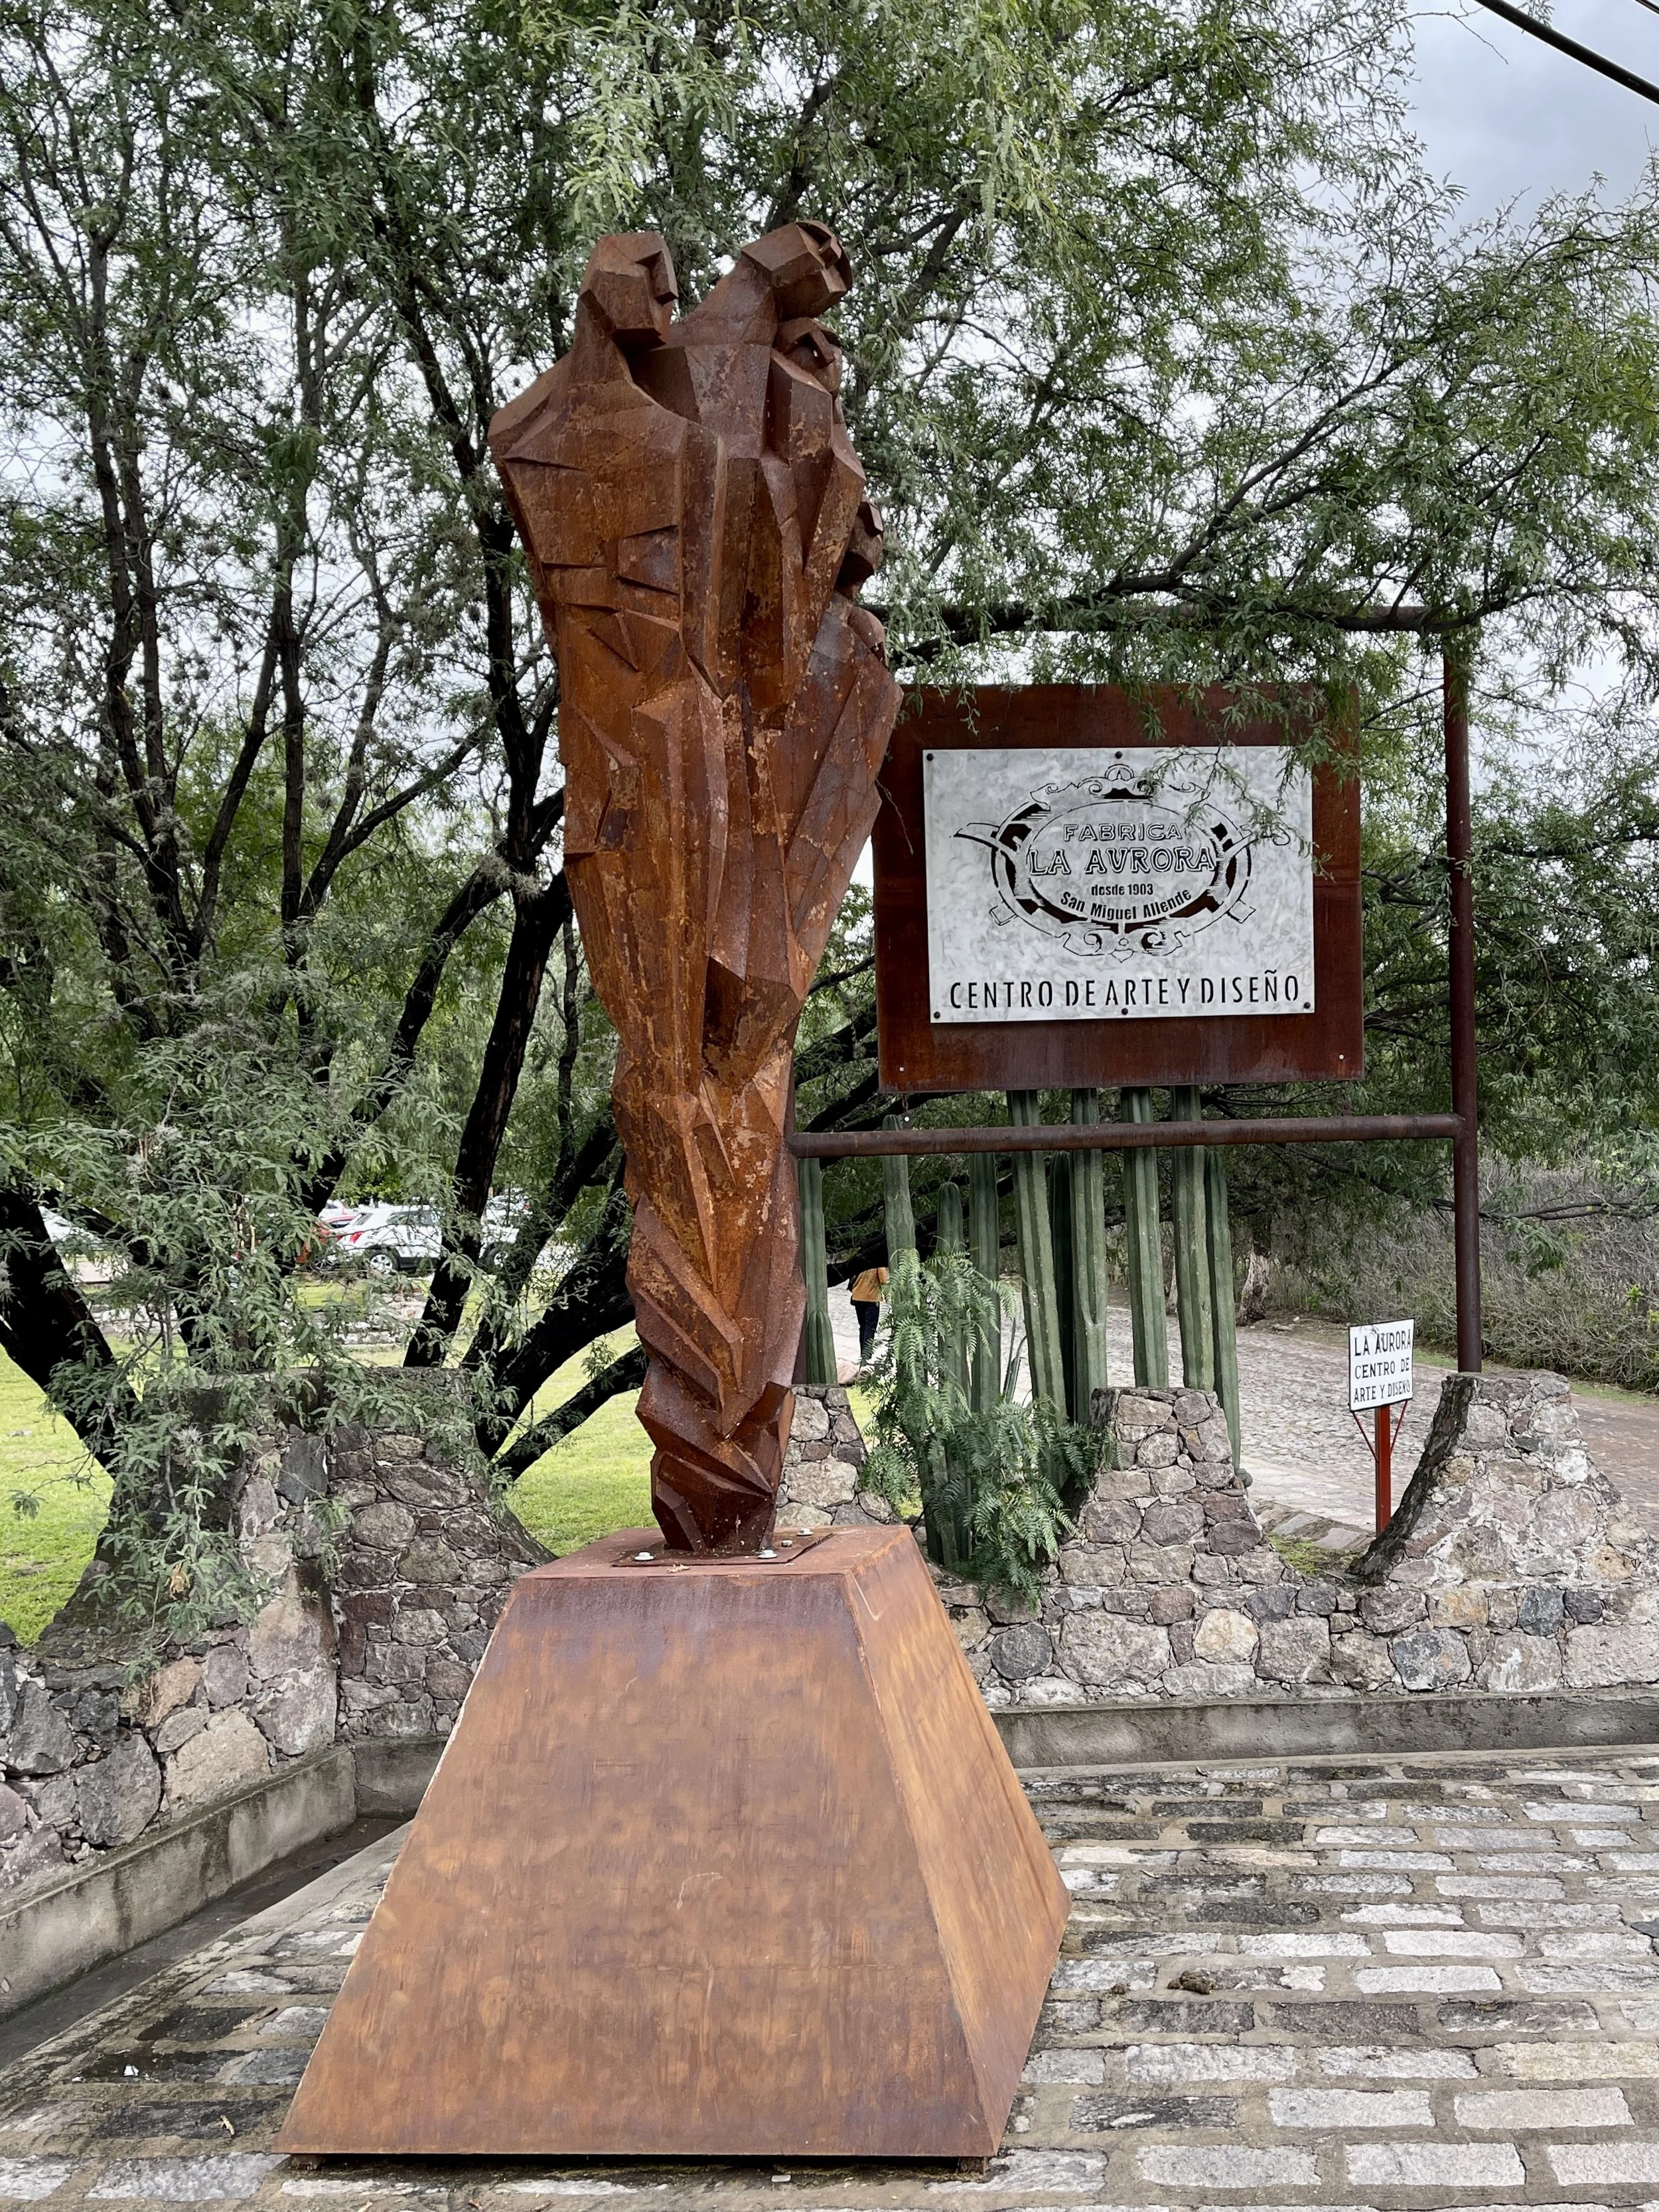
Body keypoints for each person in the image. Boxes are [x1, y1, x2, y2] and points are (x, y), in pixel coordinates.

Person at [848, 1263, 889, 1369]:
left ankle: (863, 1355)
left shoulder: (859, 1260)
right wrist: (888, 1296)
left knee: (863, 1327)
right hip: (871, 1299)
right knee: (870, 1328)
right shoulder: (878, 1262)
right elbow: (883, 1280)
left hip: (857, 1297)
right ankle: (866, 1358)